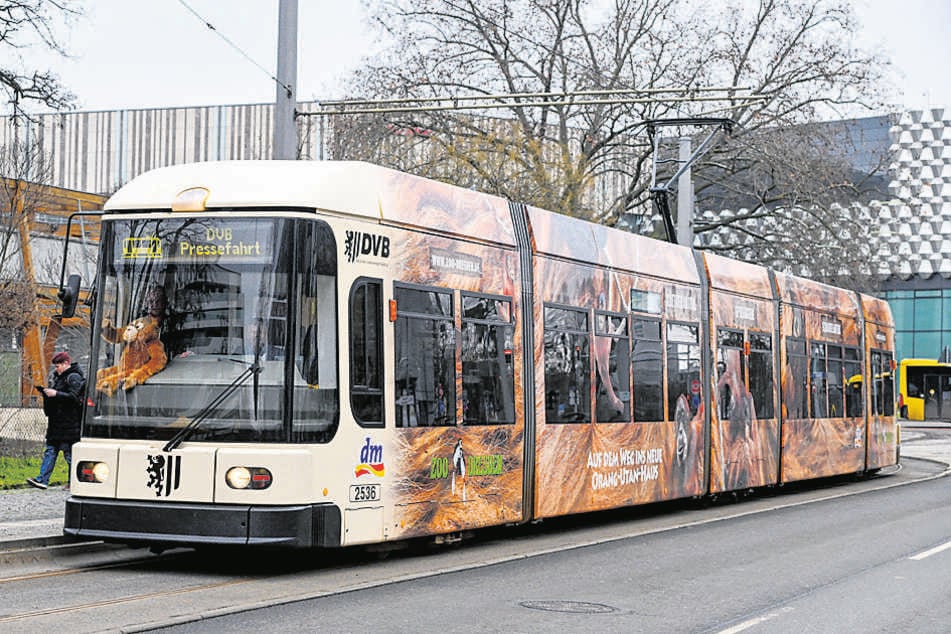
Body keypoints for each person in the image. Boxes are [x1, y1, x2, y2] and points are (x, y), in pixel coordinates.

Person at [26, 351, 85, 490]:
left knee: (69, 455)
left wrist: (56, 394)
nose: (56, 368)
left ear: (66, 363)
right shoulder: (58, 377)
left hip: (69, 424)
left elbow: (74, 398)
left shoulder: (73, 377)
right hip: (57, 423)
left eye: (58, 365)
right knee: (51, 451)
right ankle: (42, 479)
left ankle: (73, 482)